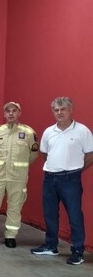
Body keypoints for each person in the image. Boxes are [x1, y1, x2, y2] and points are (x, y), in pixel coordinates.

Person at [31, 97, 93, 265]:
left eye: (63, 109)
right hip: (50, 178)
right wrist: (54, 167)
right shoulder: (49, 132)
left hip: (70, 179)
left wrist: (76, 170)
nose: (59, 113)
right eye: (56, 110)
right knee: (50, 214)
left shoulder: (82, 131)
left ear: (70, 109)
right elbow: (44, 153)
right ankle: (51, 246)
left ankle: (78, 250)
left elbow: (90, 154)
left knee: (74, 215)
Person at [0, 102, 38, 248]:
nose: (11, 114)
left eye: (14, 111)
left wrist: (18, 166)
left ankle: (10, 236)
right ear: (4, 114)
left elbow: (33, 155)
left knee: (14, 208)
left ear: (19, 113)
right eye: (8, 111)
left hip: (18, 178)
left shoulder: (29, 133)